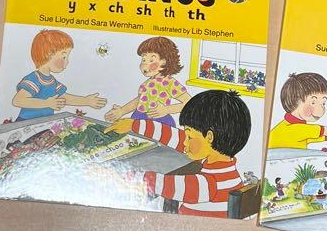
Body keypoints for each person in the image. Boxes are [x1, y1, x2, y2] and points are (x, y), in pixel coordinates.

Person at [107, 90, 251, 218]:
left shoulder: (208, 184)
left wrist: (121, 175)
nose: (184, 142)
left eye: (189, 137)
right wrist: (133, 125)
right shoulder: (223, 167)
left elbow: (161, 184)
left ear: (209, 137)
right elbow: (174, 136)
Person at [12, 29, 105, 120]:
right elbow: (18, 101)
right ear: (48, 54)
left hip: (43, 122)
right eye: (64, 57)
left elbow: (63, 97)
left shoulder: (52, 81)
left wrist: (86, 101)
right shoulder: (33, 79)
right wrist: (47, 103)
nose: (67, 61)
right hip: (26, 123)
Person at [104, 36, 189, 128]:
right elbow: (139, 101)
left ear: (164, 62)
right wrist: (122, 111)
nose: (144, 64)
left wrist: (166, 110)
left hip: (158, 122)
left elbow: (188, 103)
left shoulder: (170, 83)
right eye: (143, 60)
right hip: (138, 118)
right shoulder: (146, 84)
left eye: (151, 60)